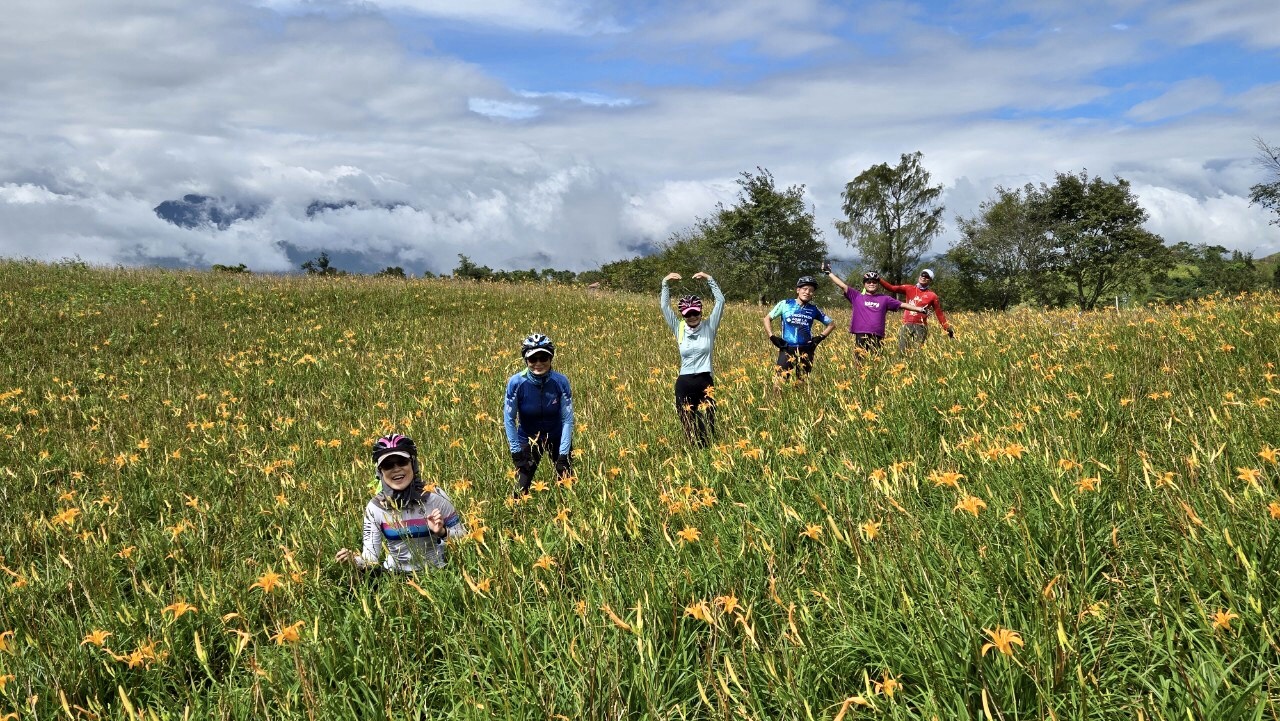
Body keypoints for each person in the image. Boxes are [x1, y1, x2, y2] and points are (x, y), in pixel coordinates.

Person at [336, 434, 466, 572]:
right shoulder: (375, 507)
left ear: (413, 464)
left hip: (438, 572)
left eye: (402, 461)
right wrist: (353, 560)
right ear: (380, 472)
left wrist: (442, 532)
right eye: (388, 465)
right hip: (395, 577)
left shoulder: (435, 496)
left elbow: (464, 536)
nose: (396, 468)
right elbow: (370, 559)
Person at [504, 333, 575, 497]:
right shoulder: (516, 383)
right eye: (532, 359)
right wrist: (516, 452)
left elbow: (567, 419)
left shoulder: (560, 381)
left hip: (557, 437)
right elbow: (508, 419)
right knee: (520, 489)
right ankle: (516, 518)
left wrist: (563, 455)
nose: (538, 363)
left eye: (544, 358)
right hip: (528, 438)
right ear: (526, 360)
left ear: (551, 359)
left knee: (568, 485)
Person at [660, 271, 725, 447]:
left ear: (700, 312)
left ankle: (708, 454)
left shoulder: (709, 326)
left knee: (708, 426)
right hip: (685, 382)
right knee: (688, 426)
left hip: (705, 381)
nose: (692, 317)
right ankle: (692, 456)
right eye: (687, 314)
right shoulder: (679, 327)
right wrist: (665, 283)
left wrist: (710, 279)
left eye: (695, 312)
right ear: (682, 315)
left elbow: (721, 302)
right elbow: (665, 308)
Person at [823, 266, 927, 358]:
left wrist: (919, 309)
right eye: (868, 282)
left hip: (878, 335)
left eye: (874, 282)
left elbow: (902, 304)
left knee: (876, 363)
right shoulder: (857, 296)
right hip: (861, 334)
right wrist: (829, 273)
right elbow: (842, 285)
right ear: (864, 284)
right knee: (860, 363)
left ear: (878, 284)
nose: (871, 284)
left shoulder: (885, 299)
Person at [763, 275, 834, 380]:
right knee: (779, 383)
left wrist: (819, 338)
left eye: (811, 290)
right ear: (798, 290)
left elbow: (831, 324)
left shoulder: (814, 309)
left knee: (802, 384)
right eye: (804, 289)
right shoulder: (785, 304)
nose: (807, 292)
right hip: (787, 348)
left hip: (806, 350)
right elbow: (767, 319)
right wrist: (772, 336)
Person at [878, 268, 954, 352]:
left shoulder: (932, 295)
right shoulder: (909, 288)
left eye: (927, 277)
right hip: (906, 324)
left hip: (921, 327)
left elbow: (939, 314)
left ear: (930, 280)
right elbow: (891, 288)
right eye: (922, 275)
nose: (924, 277)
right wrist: (879, 279)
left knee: (917, 353)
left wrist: (947, 329)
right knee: (902, 351)